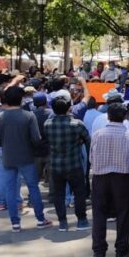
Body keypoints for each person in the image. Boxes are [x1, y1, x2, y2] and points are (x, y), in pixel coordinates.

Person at [0, 86, 52, 232]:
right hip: (26, 156)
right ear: (21, 99)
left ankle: (15, 222)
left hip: (8, 156)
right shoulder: (28, 116)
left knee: (11, 190)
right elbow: (36, 139)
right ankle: (40, 218)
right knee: (33, 187)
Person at [90, 103, 129, 257]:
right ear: (125, 117)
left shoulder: (97, 134)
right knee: (123, 213)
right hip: (122, 178)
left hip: (100, 177)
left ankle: (99, 250)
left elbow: (91, 158)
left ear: (108, 116)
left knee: (99, 214)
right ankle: (122, 249)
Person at [43, 98, 92, 232]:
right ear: (68, 108)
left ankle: (62, 222)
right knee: (79, 193)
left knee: (59, 194)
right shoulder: (77, 124)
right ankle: (81, 220)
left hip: (56, 165)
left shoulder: (47, 124)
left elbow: (46, 140)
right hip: (74, 163)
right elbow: (88, 140)